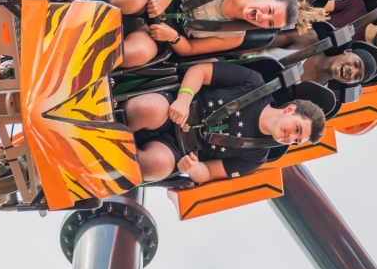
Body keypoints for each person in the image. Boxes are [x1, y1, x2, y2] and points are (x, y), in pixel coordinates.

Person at [122, 62, 326, 183]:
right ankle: (103, 121)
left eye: (296, 141)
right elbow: (200, 71)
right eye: (297, 129)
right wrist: (184, 99)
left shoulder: (256, 158)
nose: (290, 138)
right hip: (177, 107)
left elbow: (208, 172)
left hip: (178, 149)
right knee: (148, 109)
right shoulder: (253, 84)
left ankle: (103, 157)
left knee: (157, 165)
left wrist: (193, 168)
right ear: (290, 110)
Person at [136, 0, 328, 59]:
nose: (263, 17)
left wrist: (172, 37)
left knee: (139, 53)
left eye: (269, 23)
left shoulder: (235, 36)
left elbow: (190, 49)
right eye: (269, 10)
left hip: (161, 33)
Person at [299, 44, 377, 86]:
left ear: (349, 83)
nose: (352, 71)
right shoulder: (311, 43)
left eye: (356, 77)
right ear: (347, 51)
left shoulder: (314, 96)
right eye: (356, 64)